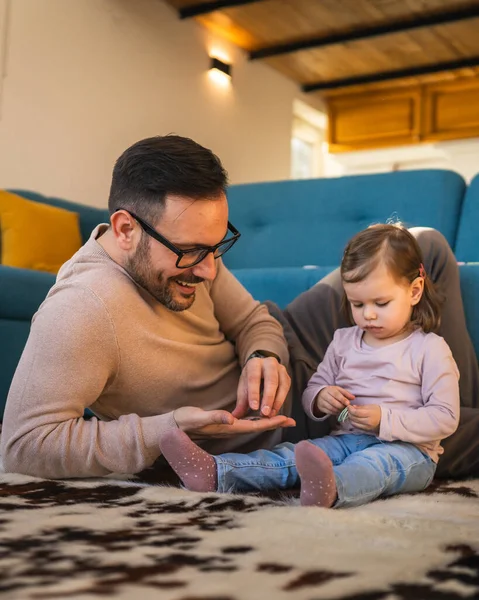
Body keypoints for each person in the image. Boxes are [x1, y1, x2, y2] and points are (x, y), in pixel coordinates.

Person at [1, 135, 478, 480]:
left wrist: (263, 355)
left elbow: (254, 320)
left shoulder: (192, 250)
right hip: (291, 419)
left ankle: (446, 398)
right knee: (447, 434)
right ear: (126, 229)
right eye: (191, 253)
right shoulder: (81, 313)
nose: (209, 271)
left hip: (296, 340)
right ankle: (446, 413)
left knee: (425, 245)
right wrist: (166, 429)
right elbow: (22, 446)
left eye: (218, 247)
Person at [158, 224, 461, 507]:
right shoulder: (344, 341)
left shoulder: (430, 349)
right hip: (345, 438)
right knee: (294, 455)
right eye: (357, 304)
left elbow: (445, 417)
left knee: (373, 466)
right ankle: (217, 471)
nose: (367, 315)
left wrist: (385, 419)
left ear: (414, 291)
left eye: (381, 304)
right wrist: (321, 397)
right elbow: (312, 390)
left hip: (411, 452)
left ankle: (332, 488)